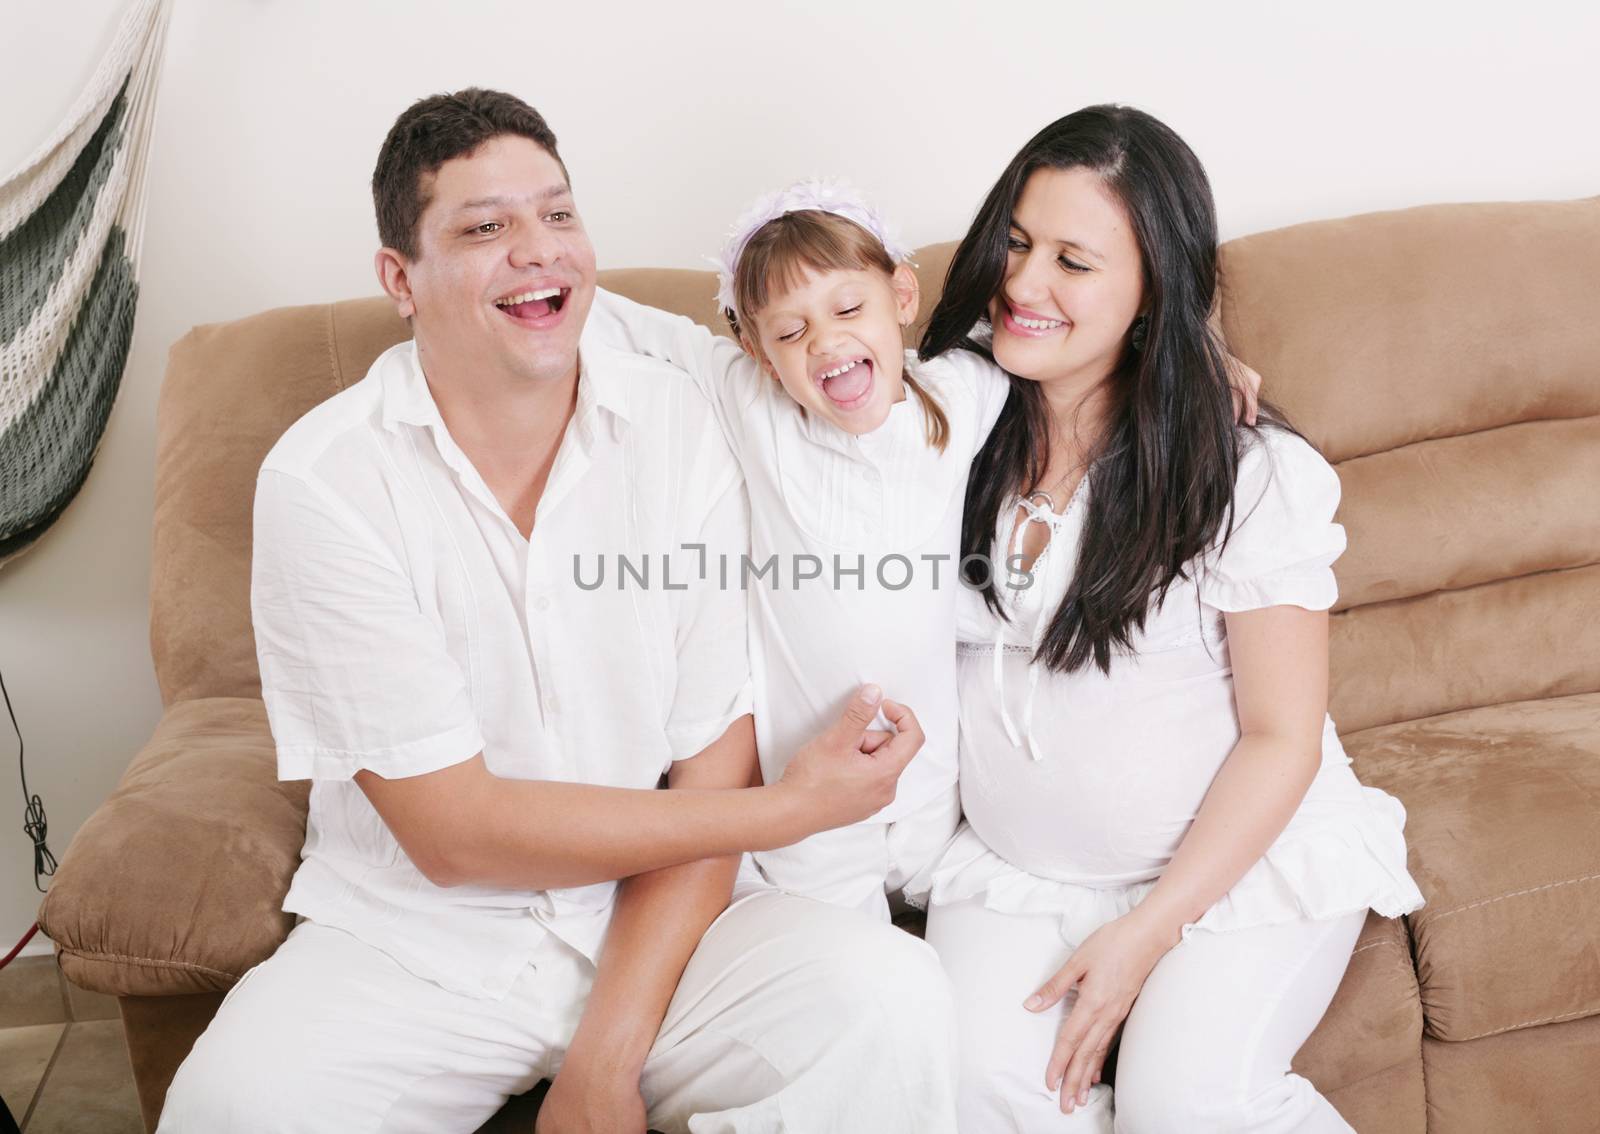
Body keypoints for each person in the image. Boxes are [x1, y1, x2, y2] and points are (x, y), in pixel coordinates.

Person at [157, 89, 959, 1134]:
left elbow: (708, 765)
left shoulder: (683, 427)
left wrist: (605, 1059)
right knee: (231, 1110)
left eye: (559, 216)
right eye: (485, 229)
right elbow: (456, 836)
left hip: (666, 922)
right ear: (400, 279)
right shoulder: (325, 481)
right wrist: (797, 808)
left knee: (893, 1001)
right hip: (417, 942)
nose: (537, 251)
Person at [912, 104, 1426, 1132]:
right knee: (964, 1094)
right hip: (1016, 875)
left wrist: (1149, 931)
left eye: (1073, 260)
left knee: (1183, 1106)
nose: (1022, 284)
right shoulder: (946, 420)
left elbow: (1281, 737)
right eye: (1014, 243)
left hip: (1235, 868)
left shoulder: (1248, 476)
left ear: (1154, 290)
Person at [588, 180, 1011, 918]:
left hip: (932, 787)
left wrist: (1199, 359)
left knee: (961, 963)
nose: (824, 341)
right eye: (789, 333)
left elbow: (1061, 341)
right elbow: (627, 325)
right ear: (756, 351)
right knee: (848, 973)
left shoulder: (959, 394)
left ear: (901, 296)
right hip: (808, 807)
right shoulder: (756, 404)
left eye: (849, 309)